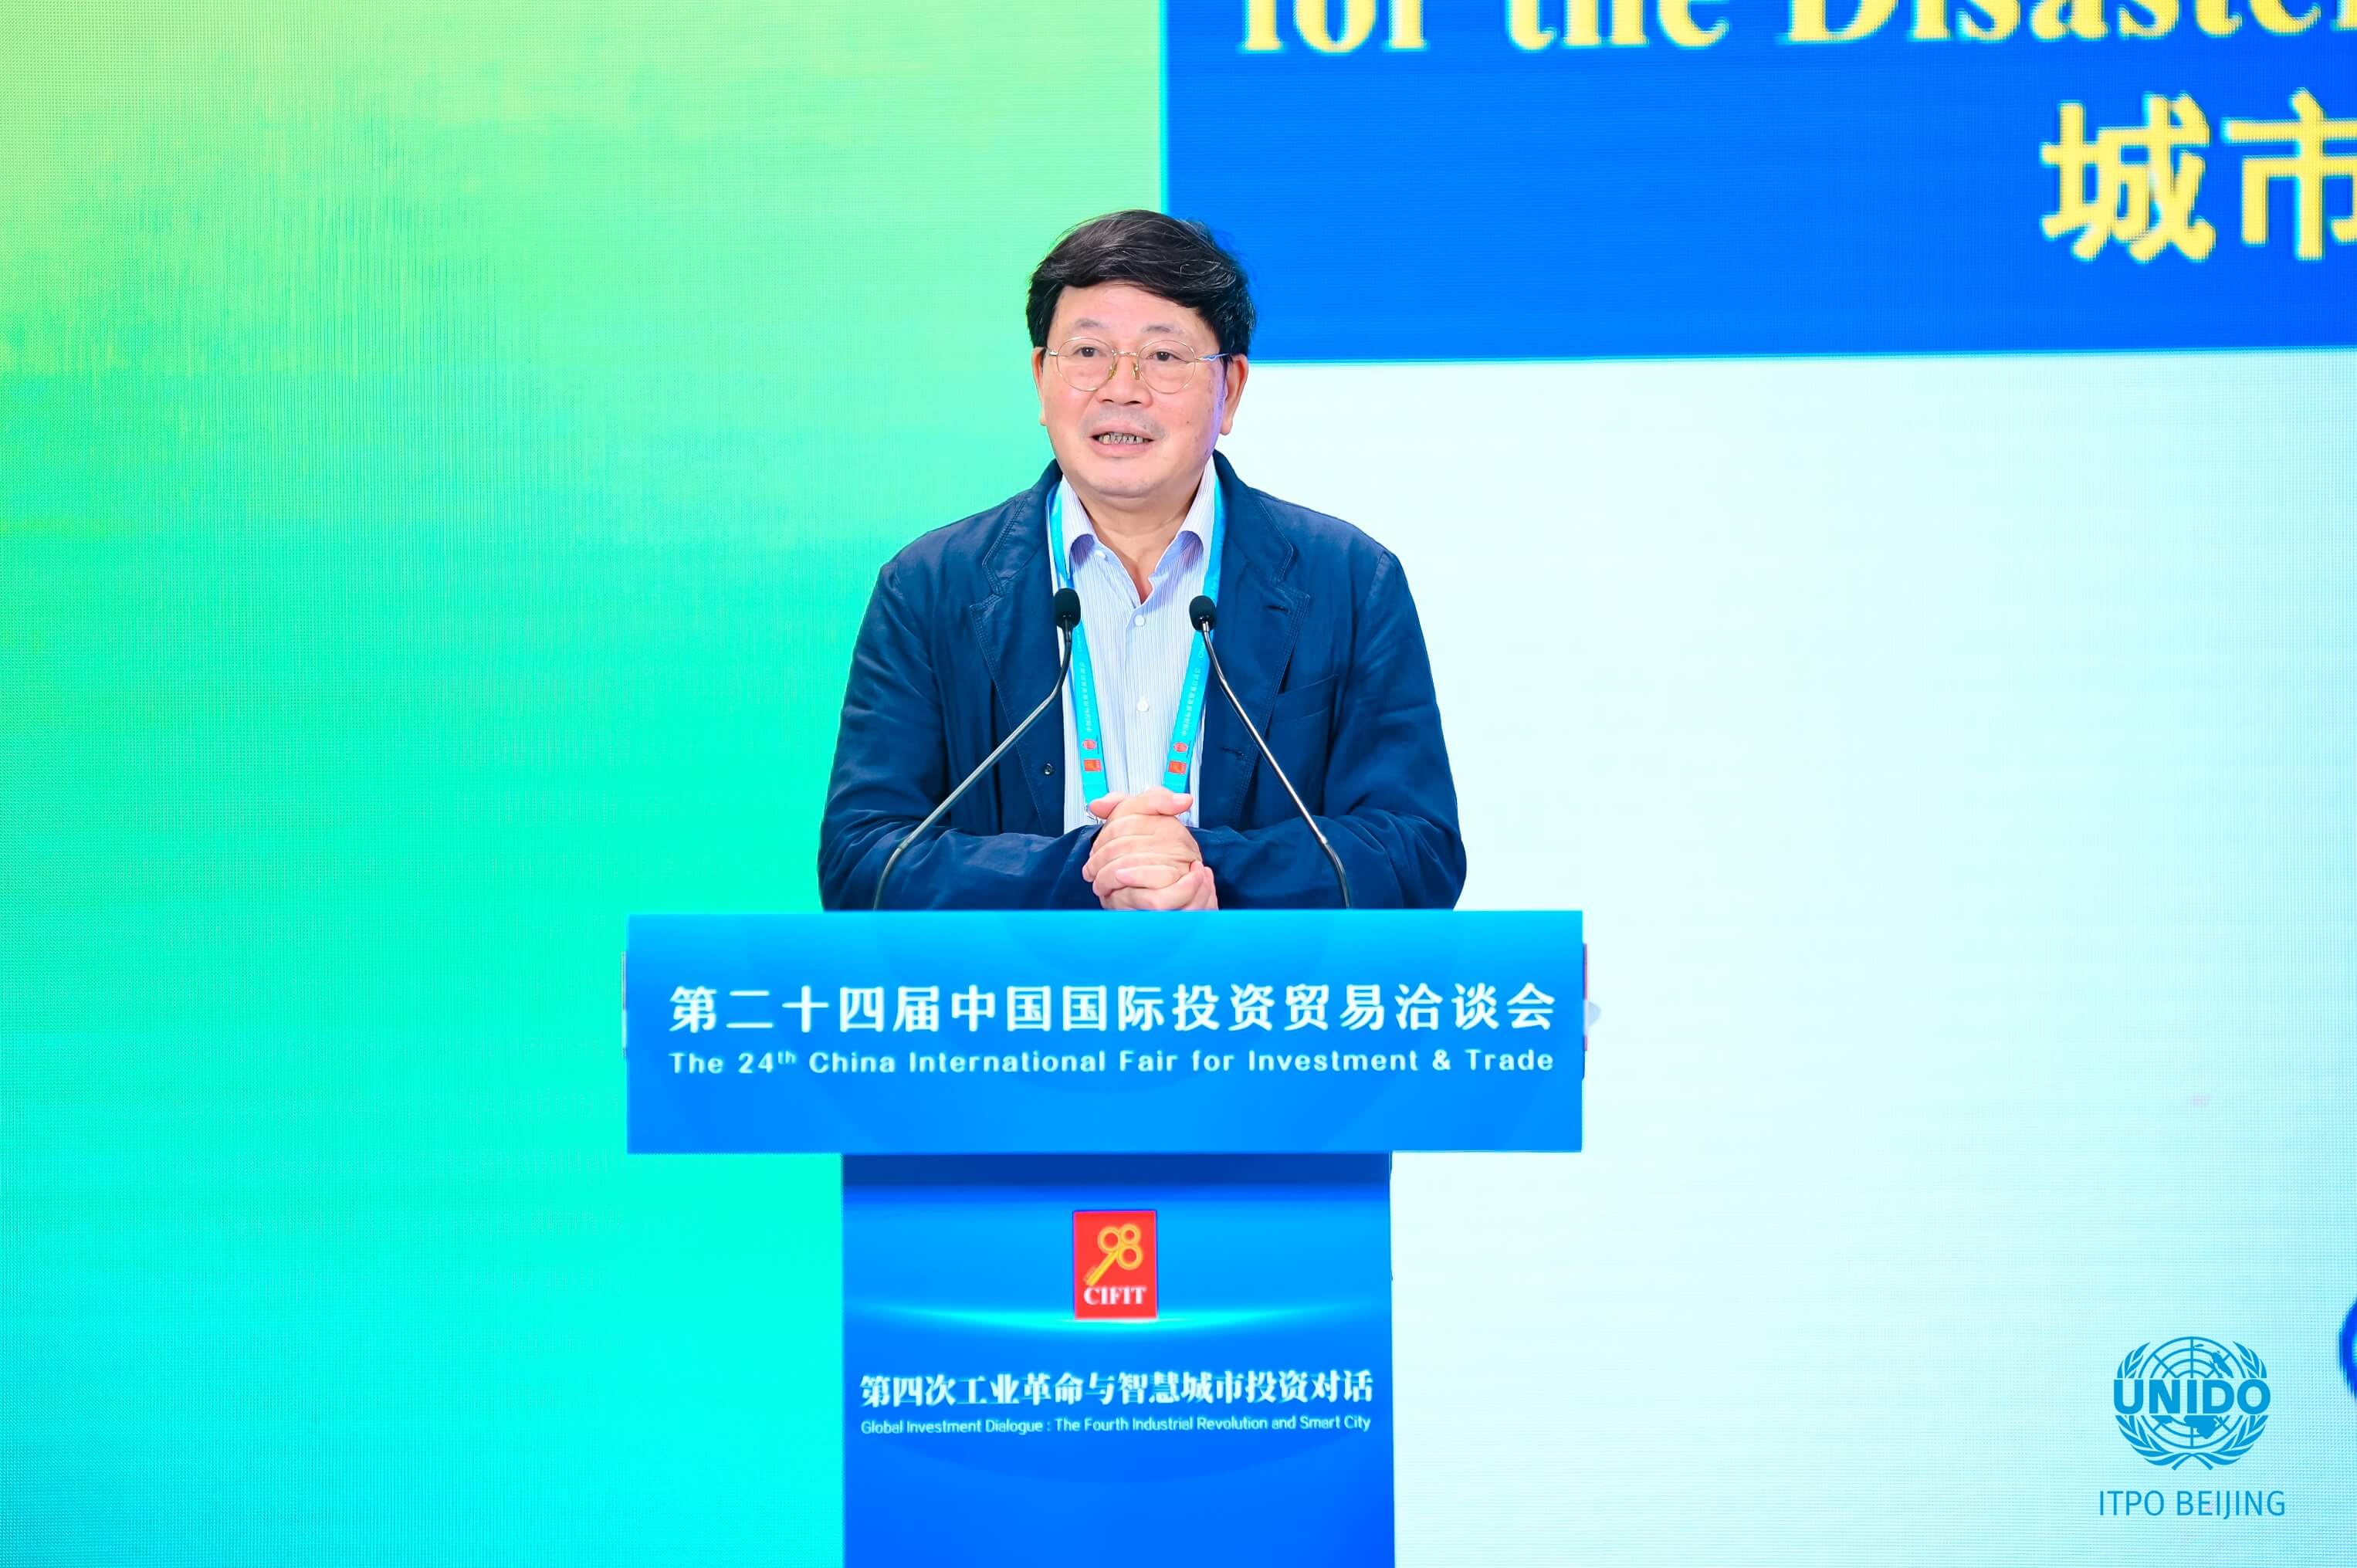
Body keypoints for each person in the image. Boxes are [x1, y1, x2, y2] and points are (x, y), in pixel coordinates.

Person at [818, 210, 1463, 910]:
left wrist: (1202, 865)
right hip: (1019, 982)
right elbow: (862, 859)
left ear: (1231, 389)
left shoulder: (1348, 580)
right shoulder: (929, 587)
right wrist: (1093, 870)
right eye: (1087, 352)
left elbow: (1416, 851)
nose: (1121, 388)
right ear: (1040, 378)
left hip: (1255, 980)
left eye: (1163, 356)